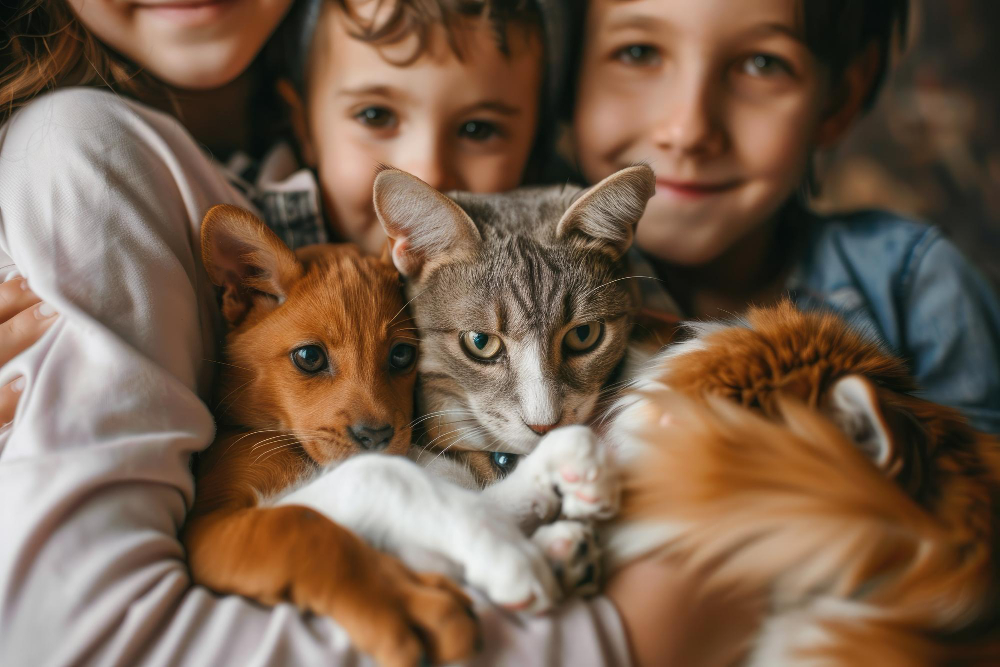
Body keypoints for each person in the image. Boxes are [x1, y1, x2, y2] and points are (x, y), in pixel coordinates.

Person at [0, 1, 636, 665]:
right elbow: (73, 632)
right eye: (375, 115)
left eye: (479, 127)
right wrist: (628, 630)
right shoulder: (83, 154)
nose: (426, 169)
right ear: (305, 118)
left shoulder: (426, 270)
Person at [572, 0, 1000, 435]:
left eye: (762, 63)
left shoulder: (918, 291)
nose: (689, 131)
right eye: (638, 52)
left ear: (839, 98)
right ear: (567, 72)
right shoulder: (505, 285)